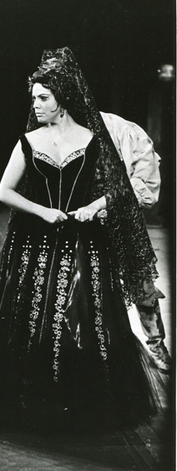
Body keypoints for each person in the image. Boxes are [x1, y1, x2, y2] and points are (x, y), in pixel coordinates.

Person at [0, 47, 162, 433]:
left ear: (63, 101)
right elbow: (5, 191)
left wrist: (93, 207)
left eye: (43, 98)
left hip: (83, 243)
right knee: (27, 318)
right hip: (32, 243)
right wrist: (42, 211)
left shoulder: (92, 140)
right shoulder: (28, 141)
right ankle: (25, 400)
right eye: (34, 98)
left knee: (83, 320)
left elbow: (121, 189)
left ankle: (76, 400)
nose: (35, 104)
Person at [101, 112, 171, 373]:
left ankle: (155, 343)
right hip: (79, 222)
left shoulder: (119, 128)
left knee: (141, 284)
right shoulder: (53, 128)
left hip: (121, 219)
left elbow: (146, 180)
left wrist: (115, 200)